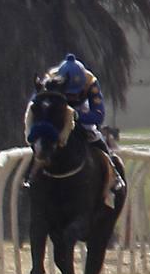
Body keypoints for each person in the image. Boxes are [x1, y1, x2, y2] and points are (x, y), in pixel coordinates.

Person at [39, 53, 125, 191]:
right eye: (69, 93)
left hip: (81, 113)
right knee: (41, 141)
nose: (73, 96)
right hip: (56, 112)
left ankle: (114, 174)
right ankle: (29, 177)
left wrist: (76, 115)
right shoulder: (50, 79)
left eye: (76, 93)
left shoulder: (90, 81)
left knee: (97, 138)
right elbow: (35, 104)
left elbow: (98, 115)